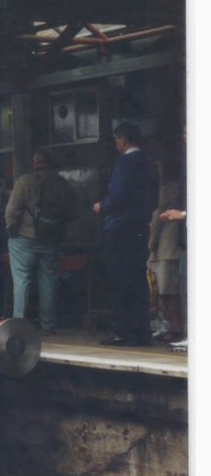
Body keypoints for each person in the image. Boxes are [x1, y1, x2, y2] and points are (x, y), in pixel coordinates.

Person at [93, 121, 152, 346]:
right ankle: (142, 331)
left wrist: (102, 206)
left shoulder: (125, 163)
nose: (116, 145)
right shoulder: (148, 163)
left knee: (119, 280)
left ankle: (123, 331)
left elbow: (117, 196)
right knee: (138, 279)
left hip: (120, 229)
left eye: (117, 140)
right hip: (140, 227)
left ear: (123, 140)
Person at [5, 149, 76, 334]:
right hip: (51, 240)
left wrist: (12, 230)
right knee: (48, 282)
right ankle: (48, 325)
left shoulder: (24, 181)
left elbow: (12, 211)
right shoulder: (62, 184)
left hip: (23, 239)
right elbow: (72, 213)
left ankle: (19, 324)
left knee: (22, 280)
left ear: (36, 162)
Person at [148, 181, 184, 343]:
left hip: (163, 254)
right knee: (173, 292)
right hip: (175, 252)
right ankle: (176, 326)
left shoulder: (160, 212)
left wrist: (149, 248)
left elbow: (153, 236)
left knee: (164, 293)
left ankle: (174, 327)